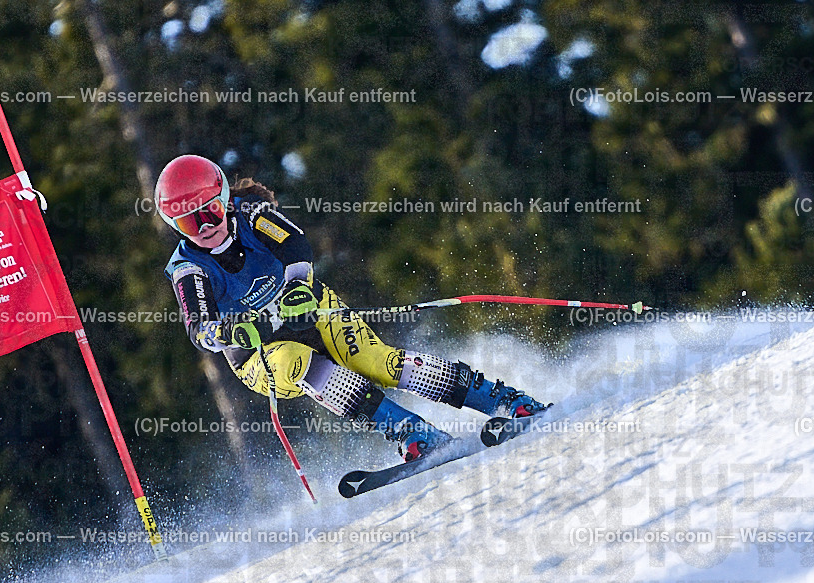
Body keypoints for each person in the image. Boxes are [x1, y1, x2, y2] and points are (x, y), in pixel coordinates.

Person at [157, 155, 550, 462]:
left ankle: (504, 400)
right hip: (258, 352)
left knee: (379, 362)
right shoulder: (189, 268)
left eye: (210, 211)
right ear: (178, 228)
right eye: (191, 224)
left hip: (309, 309)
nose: (206, 226)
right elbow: (199, 327)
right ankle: (409, 431)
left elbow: (295, 245)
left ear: (224, 199)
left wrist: (296, 287)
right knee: (297, 361)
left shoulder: (250, 215)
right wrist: (229, 332)